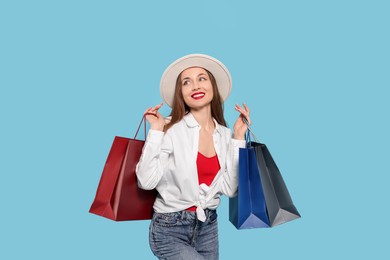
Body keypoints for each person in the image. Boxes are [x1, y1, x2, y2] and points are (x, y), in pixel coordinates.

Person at [136, 54, 251, 260]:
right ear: (181, 92)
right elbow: (146, 181)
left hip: (208, 226)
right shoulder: (170, 129)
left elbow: (229, 188)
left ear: (213, 86)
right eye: (186, 82)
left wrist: (239, 137)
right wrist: (155, 131)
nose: (195, 86)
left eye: (202, 78)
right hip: (170, 228)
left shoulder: (225, 135)